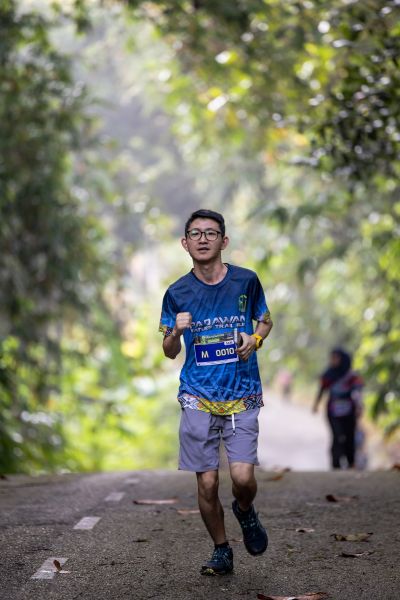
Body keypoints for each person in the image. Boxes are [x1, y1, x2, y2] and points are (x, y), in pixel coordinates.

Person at [159, 209, 273, 575]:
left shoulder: (246, 281)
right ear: (185, 243)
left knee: (243, 479)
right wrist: (176, 332)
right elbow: (169, 351)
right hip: (197, 395)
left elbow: (265, 320)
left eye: (211, 233)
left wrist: (254, 340)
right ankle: (222, 549)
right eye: (196, 233)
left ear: (224, 241)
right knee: (207, 482)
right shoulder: (176, 292)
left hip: (242, 393)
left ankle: (245, 510)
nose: (203, 239)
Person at [312, 347, 363, 469]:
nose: (333, 360)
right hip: (333, 411)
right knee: (337, 436)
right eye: (332, 358)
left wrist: (359, 406)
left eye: (335, 358)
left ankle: (351, 462)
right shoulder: (328, 375)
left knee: (349, 436)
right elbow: (322, 390)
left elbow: (357, 392)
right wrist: (316, 404)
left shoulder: (352, 376)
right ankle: (336, 464)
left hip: (349, 411)